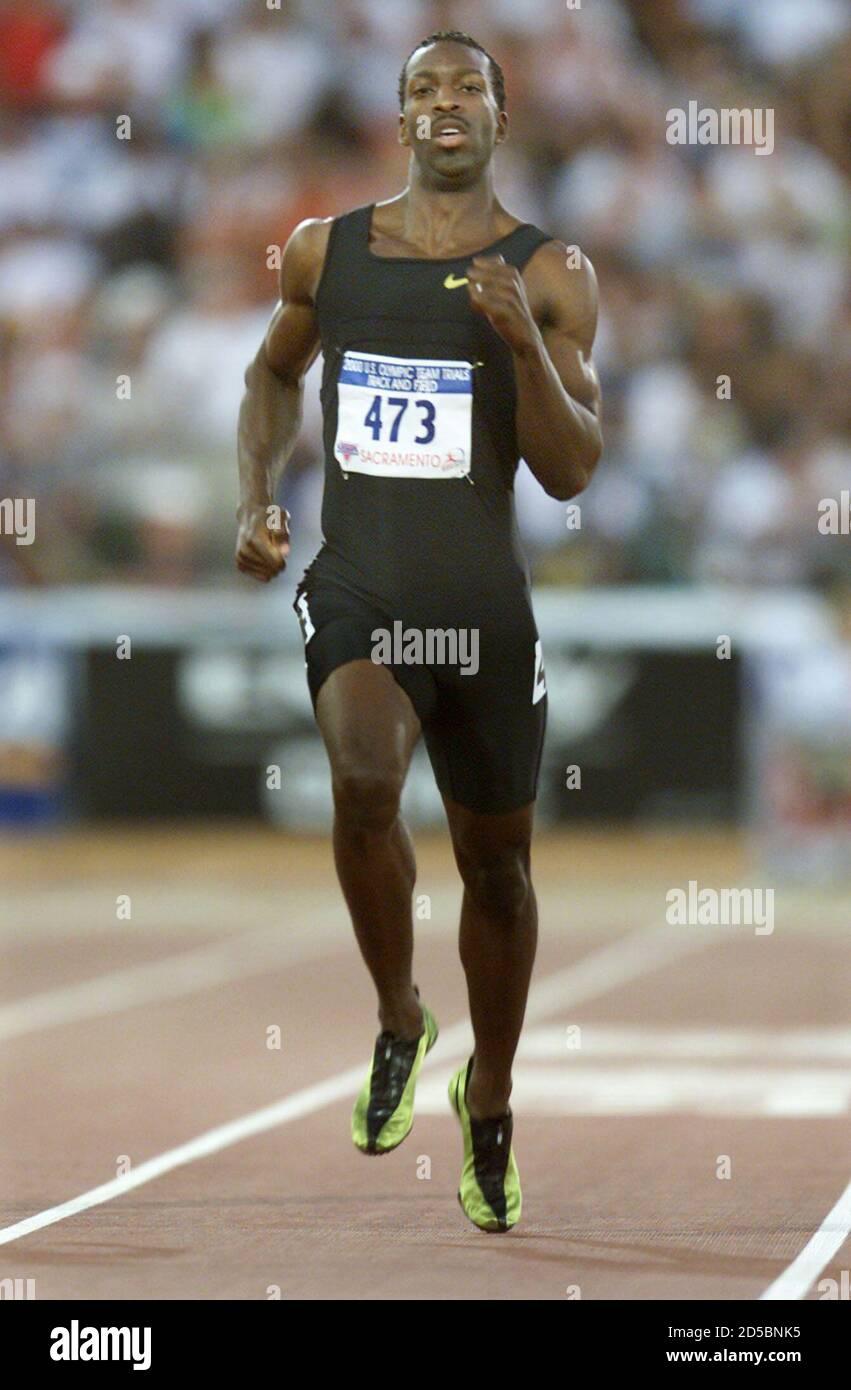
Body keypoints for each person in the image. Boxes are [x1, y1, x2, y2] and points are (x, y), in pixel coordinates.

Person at [236, 31, 602, 1232]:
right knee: (359, 780)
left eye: (467, 88)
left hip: (484, 611)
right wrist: (256, 499)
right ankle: (399, 1010)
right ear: (398, 120)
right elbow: (269, 376)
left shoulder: (550, 272)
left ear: (501, 118)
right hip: (359, 585)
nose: (443, 104)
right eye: (421, 89)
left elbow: (569, 472)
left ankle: (486, 1093)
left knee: (496, 871)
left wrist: (514, 346)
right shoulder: (325, 252)